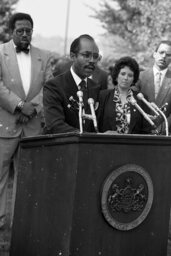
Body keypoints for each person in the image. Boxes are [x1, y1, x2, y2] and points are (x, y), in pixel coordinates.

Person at [0, 12, 53, 227]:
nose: (24, 34)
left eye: (28, 31)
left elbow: (49, 87)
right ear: (12, 31)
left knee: (28, 178)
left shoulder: (46, 55)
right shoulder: (0, 52)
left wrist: (32, 109)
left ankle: (22, 222)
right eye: (20, 30)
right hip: (4, 125)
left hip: (32, 127)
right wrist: (20, 106)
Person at [43, 34, 101, 134]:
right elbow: (55, 125)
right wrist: (87, 136)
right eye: (86, 55)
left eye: (95, 56)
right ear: (72, 56)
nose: (92, 60)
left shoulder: (96, 87)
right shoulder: (54, 86)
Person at [97, 56, 152, 134]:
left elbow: (146, 130)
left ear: (134, 79)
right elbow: (96, 125)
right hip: (107, 144)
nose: (126, 78)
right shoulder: (103, 96)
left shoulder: (141, 99)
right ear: (116, 75)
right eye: (123, 74)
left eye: (130, 75)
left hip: (134, 144)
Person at [138, 40, 171, 134]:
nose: (164, 56)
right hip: (141, 132)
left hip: (166, 133)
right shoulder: (140, 77)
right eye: (161, 52)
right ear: (154, 54)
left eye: (168, 54)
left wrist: (163, 128)